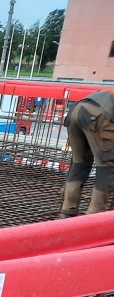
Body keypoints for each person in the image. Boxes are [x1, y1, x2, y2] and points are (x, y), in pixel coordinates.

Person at [59, 89, 114, 217]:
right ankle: (94, 216)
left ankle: (67, 211)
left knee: (79, 163)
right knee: (107, 167)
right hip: (99, 115)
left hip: (75, 112)